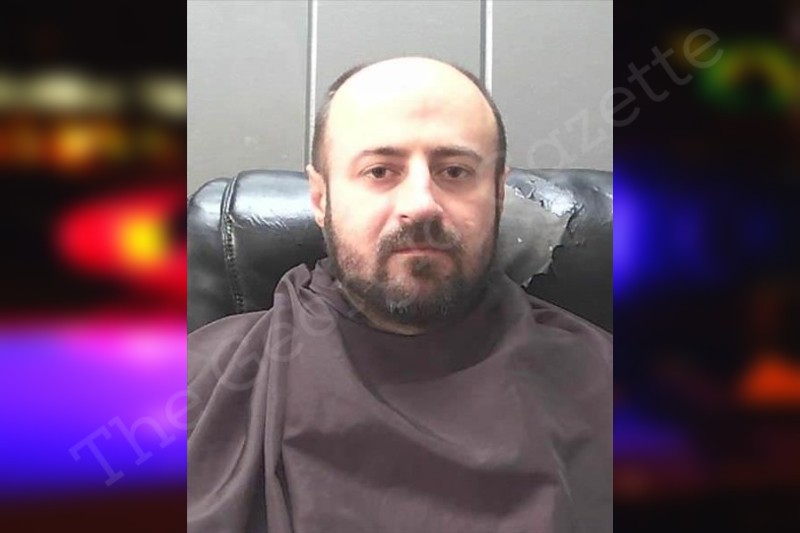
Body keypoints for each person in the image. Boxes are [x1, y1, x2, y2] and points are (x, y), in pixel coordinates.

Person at [188, 56, 612, 533]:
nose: (420, 205)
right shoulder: (194, 384)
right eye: (379, 171)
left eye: (455, 171)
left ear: (497, 192)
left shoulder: (606, 386)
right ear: (321, 198)